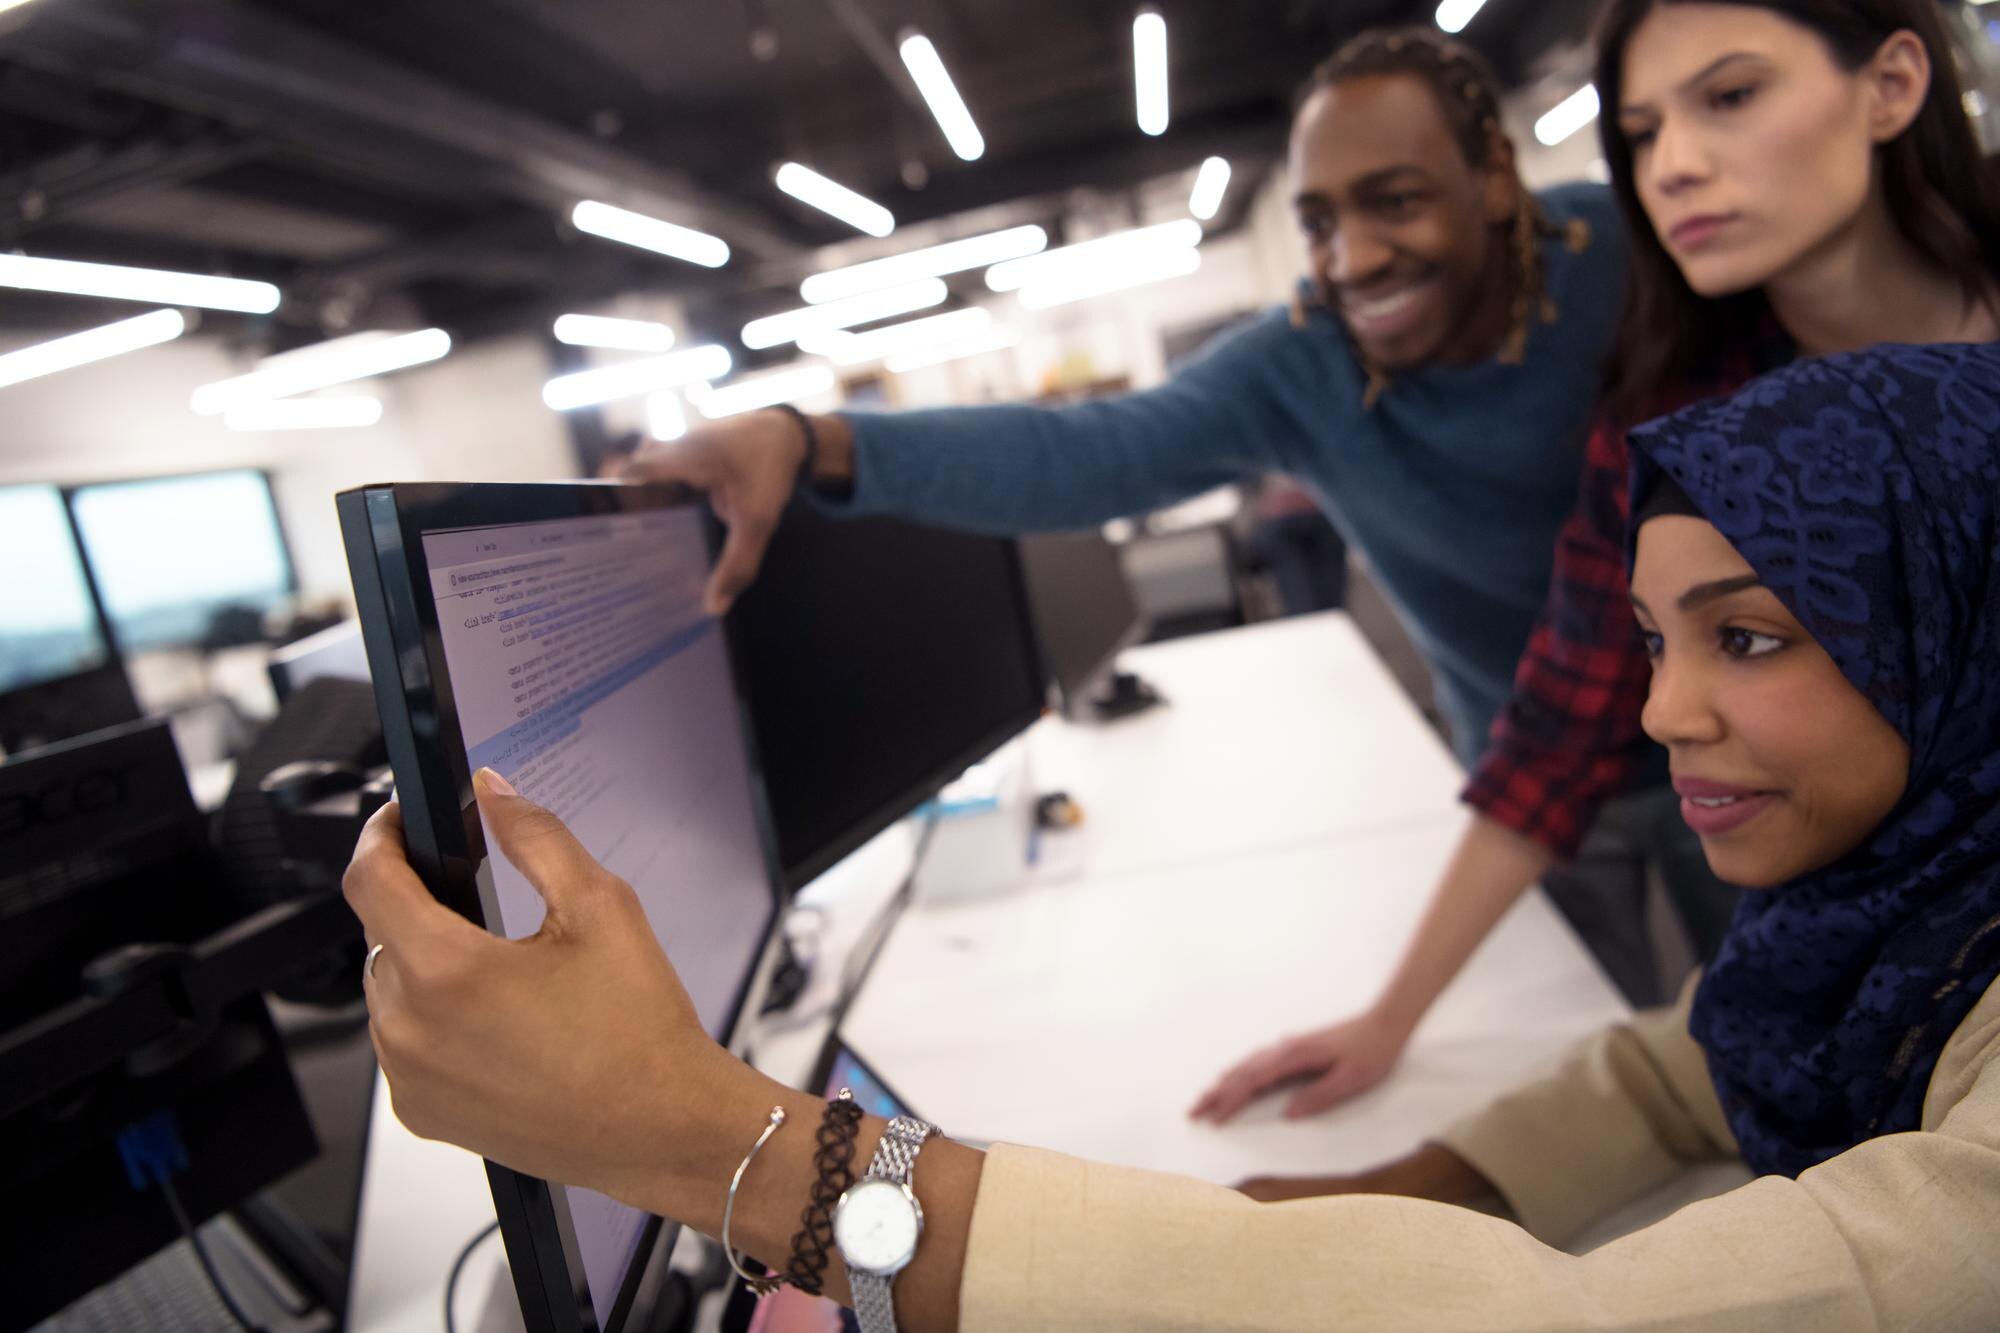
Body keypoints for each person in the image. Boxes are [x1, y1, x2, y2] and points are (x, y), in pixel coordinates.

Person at [345, 339, 2000, 1329]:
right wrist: (1402, 1189)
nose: (1657, 713)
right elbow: (1674, 1068)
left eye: (1754, 635)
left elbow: (1568, 1320)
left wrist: (735, 1151)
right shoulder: (1893, 926)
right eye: (1654, 641)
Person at [633, 28, 1737, 1014]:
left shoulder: (1640, 261)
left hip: (1738, 732)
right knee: (1580, 1035)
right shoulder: (1303, 360)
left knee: (1806, 1042)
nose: (1350, 259)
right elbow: (1090, 451)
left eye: (1393, 200)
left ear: (1495, 176)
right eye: (1317, 222)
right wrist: (813, 437)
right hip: (1520, 768)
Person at [1193, 0, 2000, 1123]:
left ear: (1891, 84)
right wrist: (1390, 1018)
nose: (1671, 165)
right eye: (1638, 130)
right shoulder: (1686, 405)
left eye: (1728, 97)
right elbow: (1564, 717)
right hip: (1896, 974)